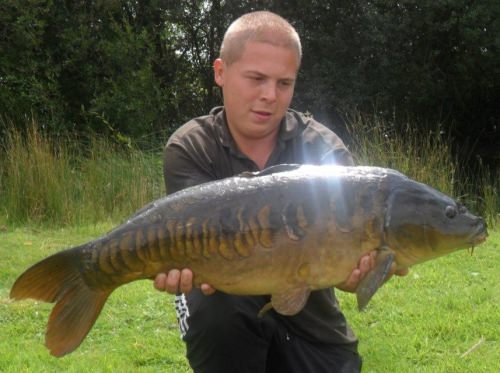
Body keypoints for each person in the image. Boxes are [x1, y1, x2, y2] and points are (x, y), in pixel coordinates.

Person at [154, 10, 407, 373]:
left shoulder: (325, 152)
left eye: (284, 83)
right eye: (256, 78)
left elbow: (347, 265)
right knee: (216, 315)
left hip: (310, 310)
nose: (269, 95)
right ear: (221, 72)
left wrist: (357, 275)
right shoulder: (190, 148)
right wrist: (176, 265)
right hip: (222, 298)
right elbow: (196, 252)